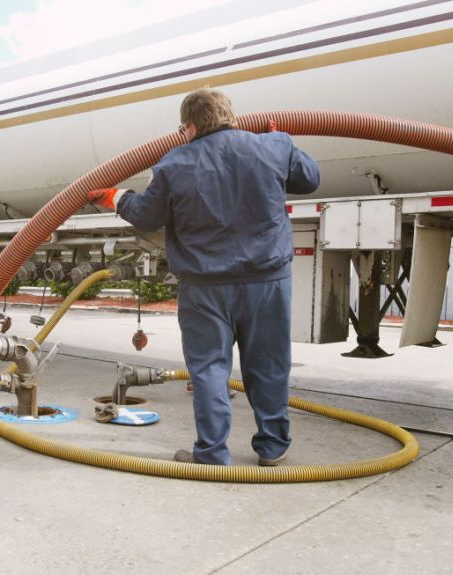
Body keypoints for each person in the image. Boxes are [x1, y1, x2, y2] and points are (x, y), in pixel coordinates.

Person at [89, 88, 320, 466]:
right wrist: (281, 142)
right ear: (230, 115)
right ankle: (273, 447)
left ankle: (212, 452)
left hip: (205, 287)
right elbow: (310, 179)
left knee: (210, 368)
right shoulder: (271, 146)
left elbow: (147, 216)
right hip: (267, 282)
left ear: (190, 125)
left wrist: (117, 198)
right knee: (269, 364)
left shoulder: (174, 163)